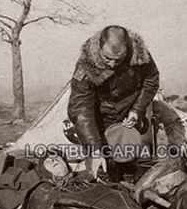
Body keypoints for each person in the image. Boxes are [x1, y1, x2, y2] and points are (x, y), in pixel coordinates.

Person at [67, 26, 160, 178]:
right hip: (97, 123)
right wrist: (94, 149)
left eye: (118, 59)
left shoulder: (140, 56)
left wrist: (137, 110)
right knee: (100, 172)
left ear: (128, 49)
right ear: (99, 47)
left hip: (127, 120)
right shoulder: (86, 66)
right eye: (107, 58)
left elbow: (151, 80)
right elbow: (80, 109)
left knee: (131, 170)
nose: (111, 64)